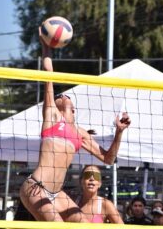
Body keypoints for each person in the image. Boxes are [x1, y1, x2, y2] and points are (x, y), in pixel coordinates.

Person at [19, 28, 131, 222]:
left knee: (84, 225)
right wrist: (46, 48)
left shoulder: (80, 134)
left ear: (73, 109)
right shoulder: (52, 116)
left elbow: (109, 159)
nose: (61, 95)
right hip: (36, 187)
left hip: (57, 193)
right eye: (58, 96)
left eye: (65, 96)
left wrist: (119, 133)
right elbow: (48, 74)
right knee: (58, 226)